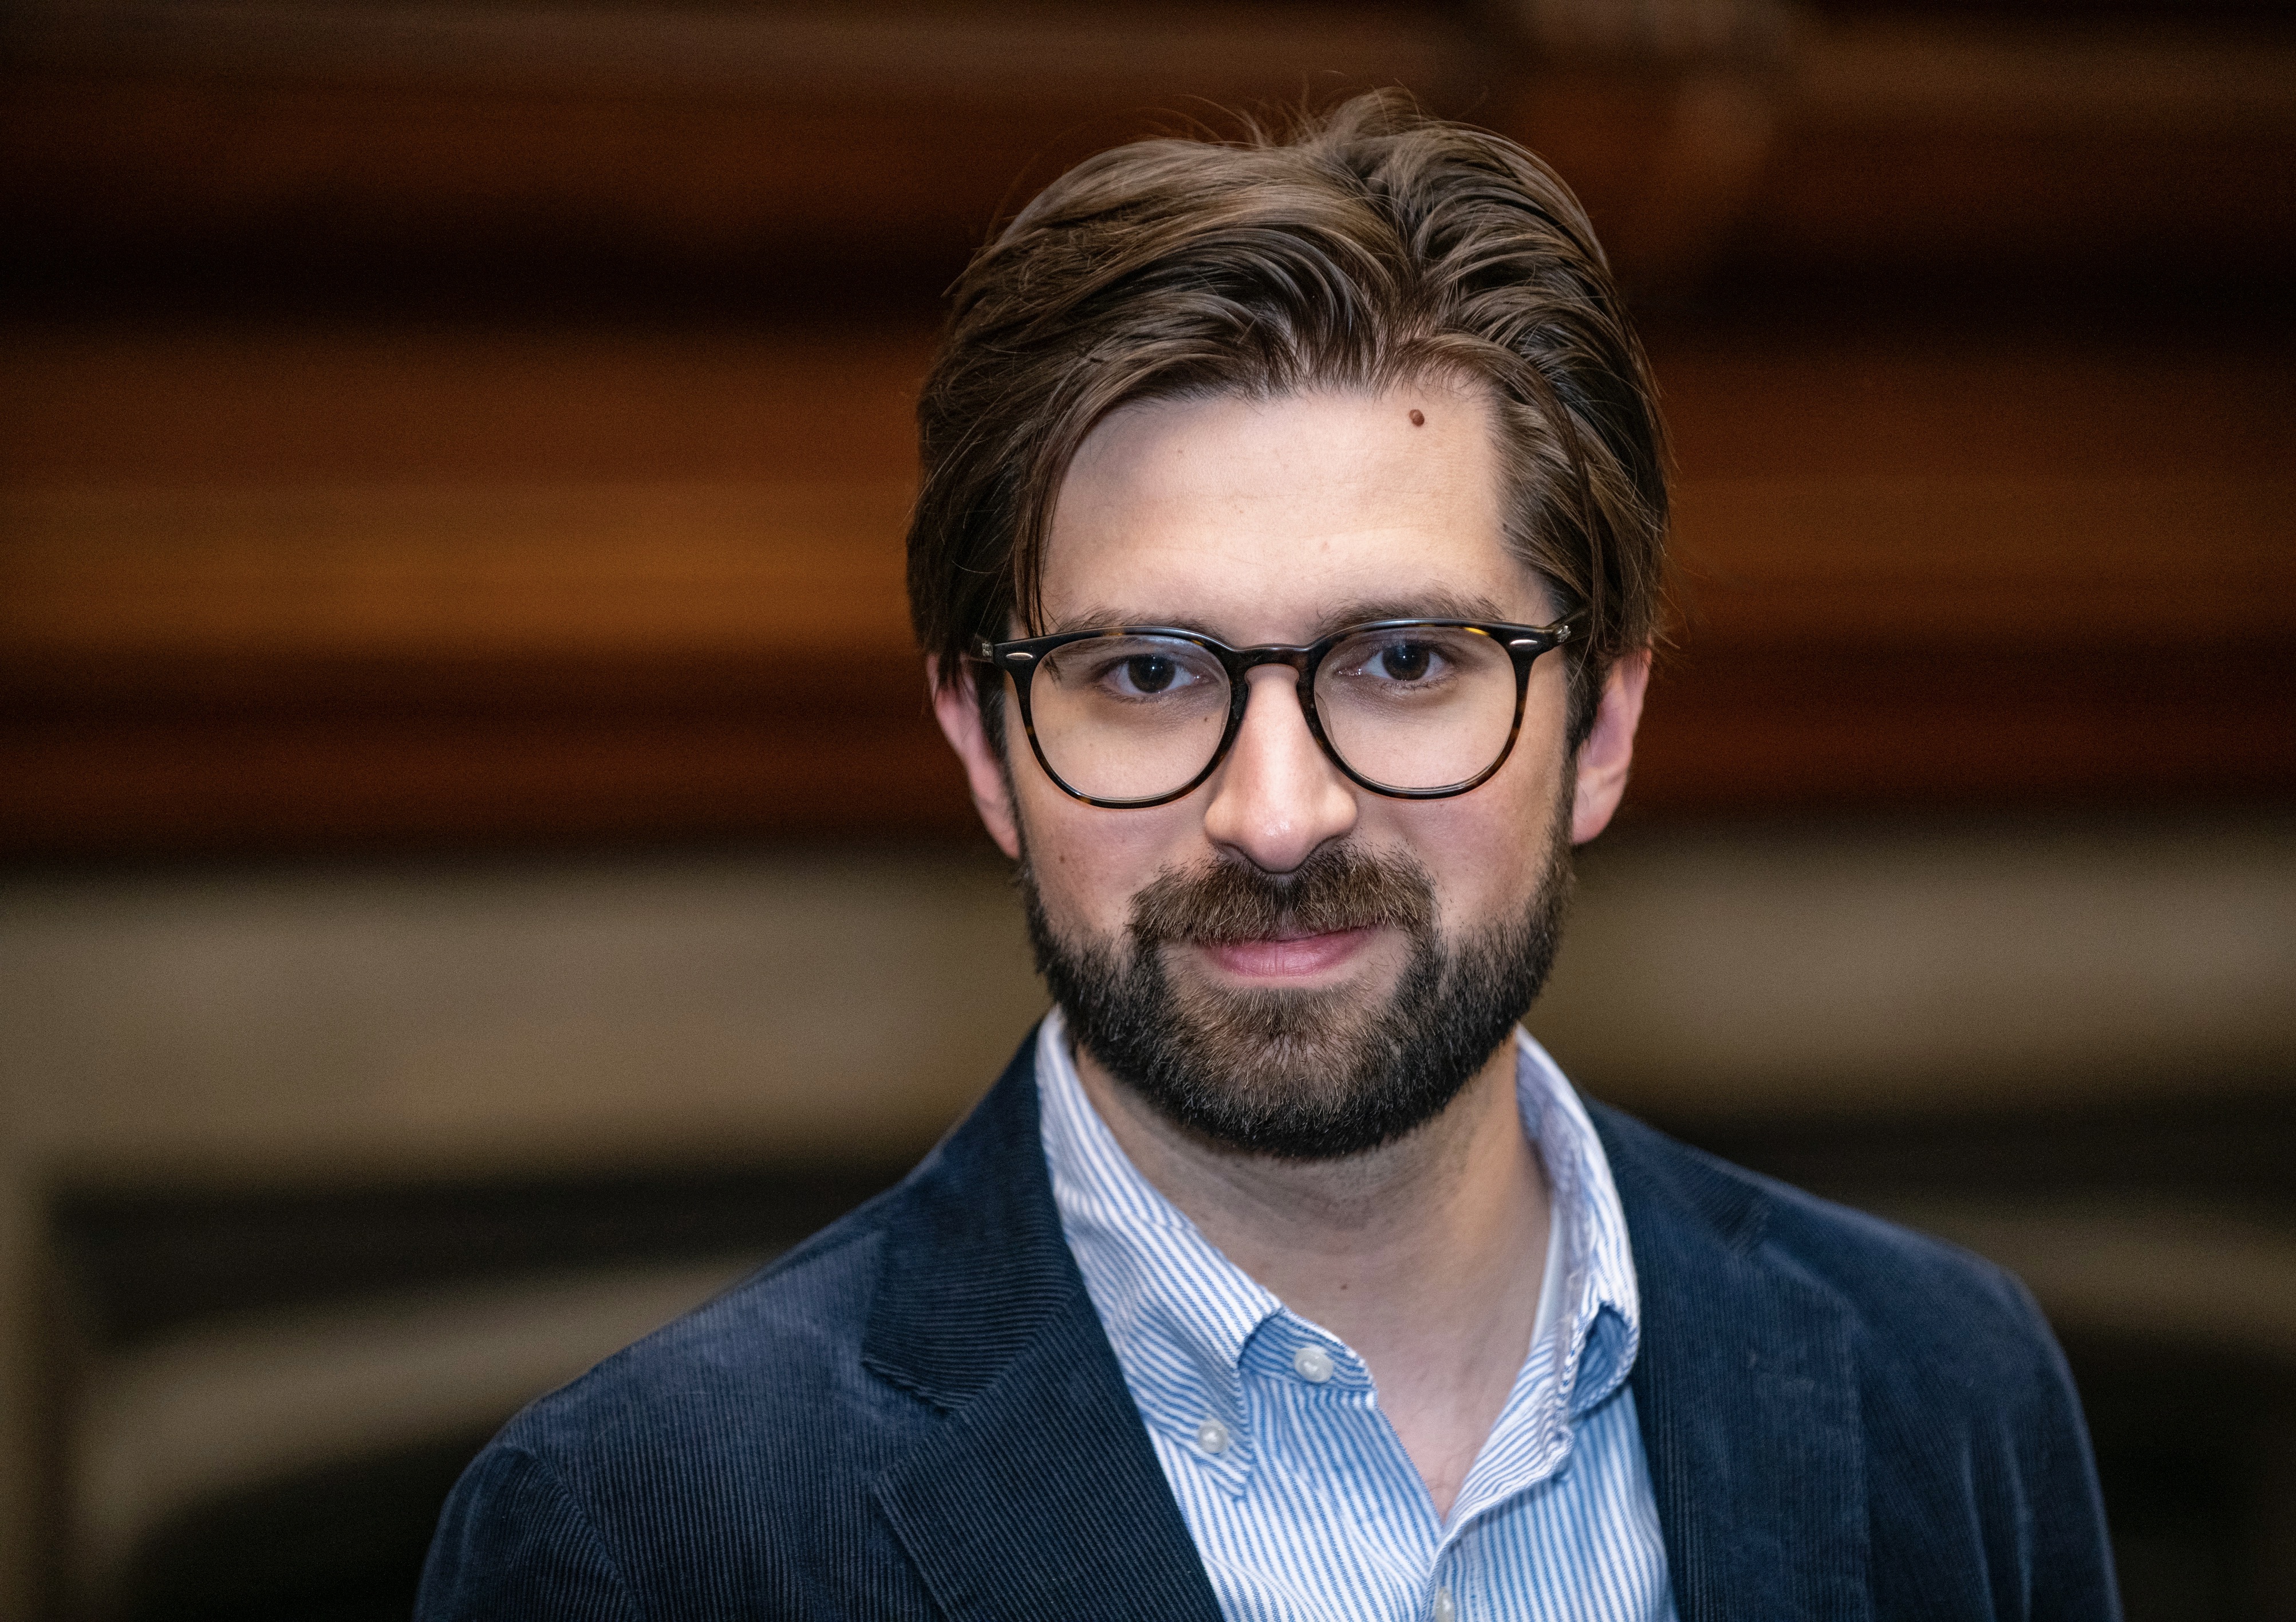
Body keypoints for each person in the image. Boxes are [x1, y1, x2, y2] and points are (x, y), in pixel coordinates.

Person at [417, 92, 2119, 1621]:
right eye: (1148, 676)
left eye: (1404, 662)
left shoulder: (1945, 1395)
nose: (1282, 815)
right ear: (985, 748)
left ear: (1601, 724)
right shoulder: (645, 1545)